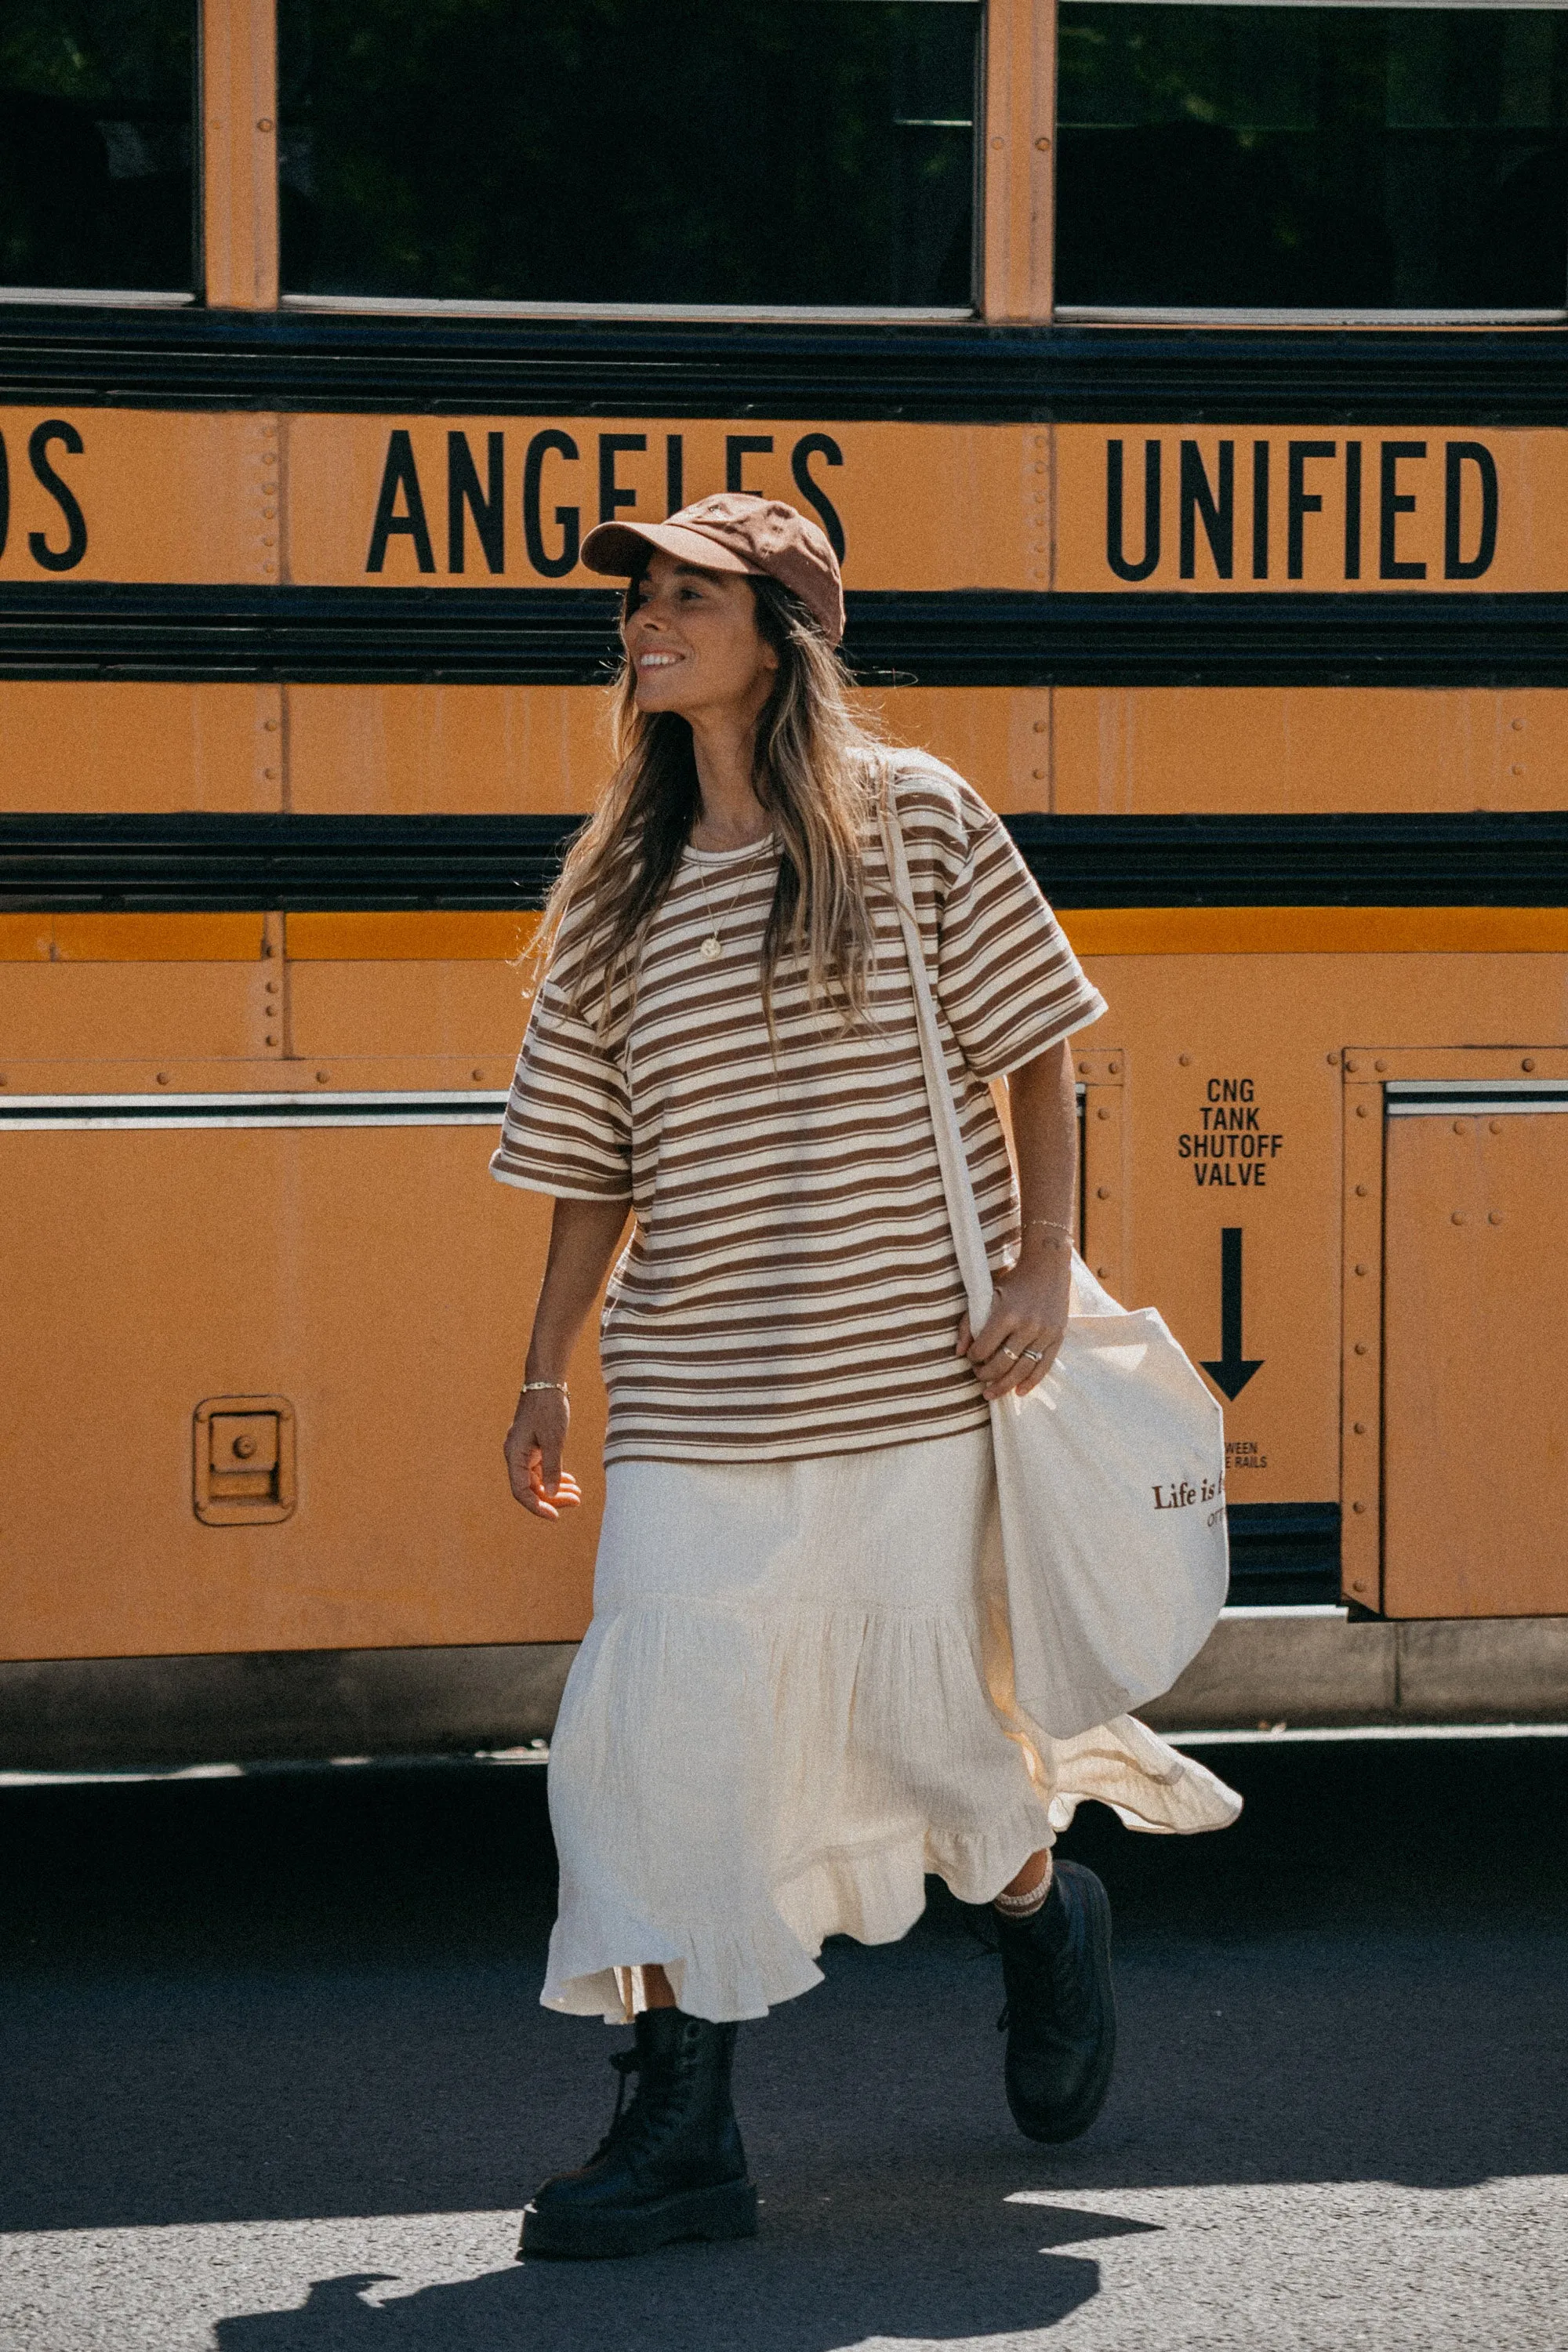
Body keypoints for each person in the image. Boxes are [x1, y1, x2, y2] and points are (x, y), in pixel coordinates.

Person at [492, 492, 1240, 2263]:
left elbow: (1037, 1039)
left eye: (691, 596)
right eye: (644, 598)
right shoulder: (616, 882)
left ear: (783, 635)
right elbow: (593, 1155)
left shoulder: (912, 820)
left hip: (910, 1374)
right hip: (694, 1397)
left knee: (944, 1749)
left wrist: (1043, 1259)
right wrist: (543, 1368)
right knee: (646, 1747)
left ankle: (1047, 1915)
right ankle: (680, 2132)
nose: (650, 622)